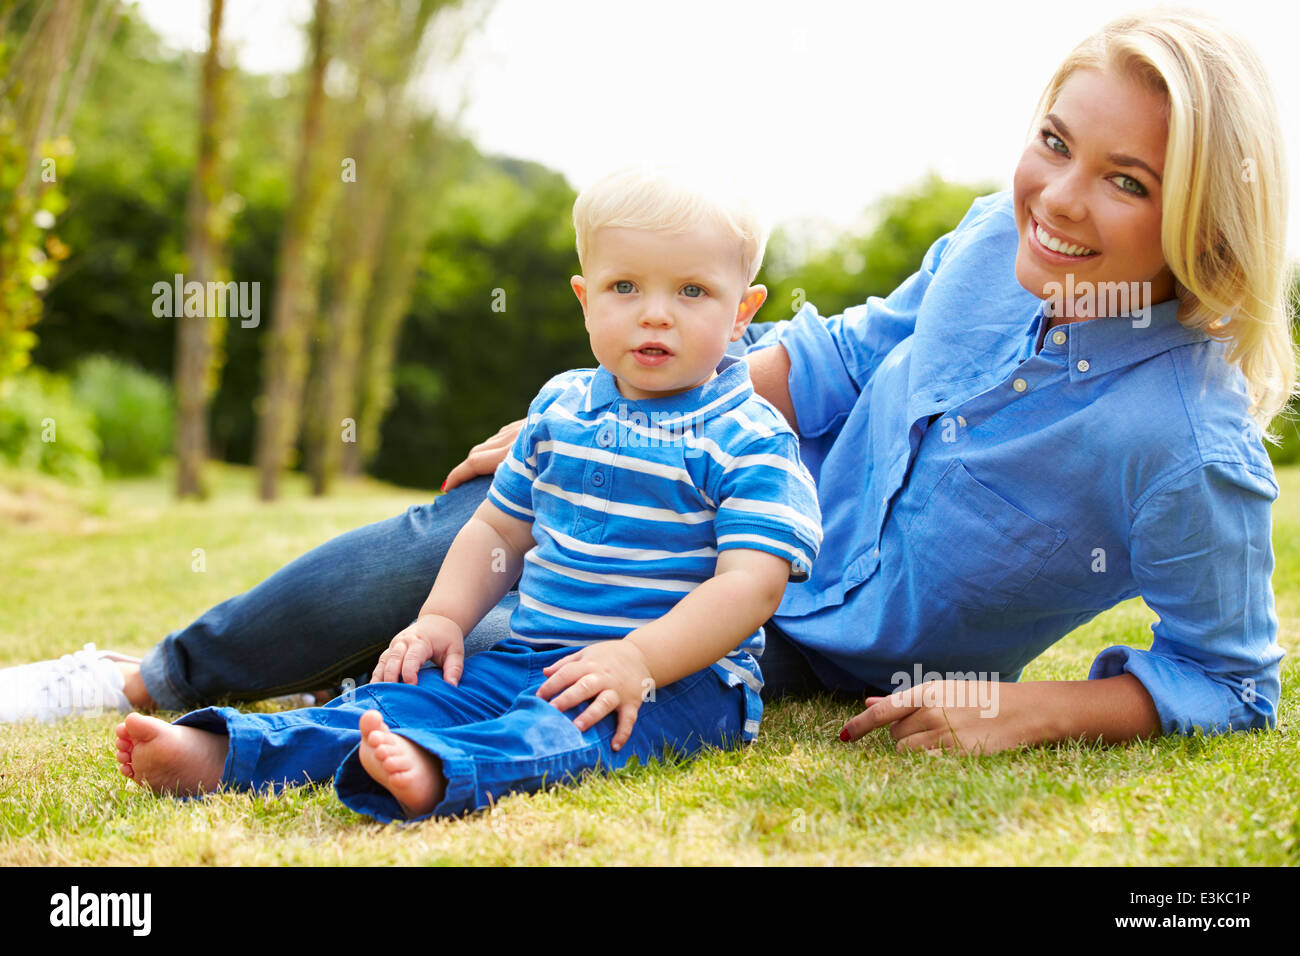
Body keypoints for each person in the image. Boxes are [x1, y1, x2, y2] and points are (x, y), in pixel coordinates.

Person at [5, 9, 1290, 755]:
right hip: (712, 490)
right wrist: (612, 424)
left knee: (520, 679)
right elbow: (840, 357)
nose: (1057, 202)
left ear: (1203, 211)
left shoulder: (1183, 439)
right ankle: (144, 677)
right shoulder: (987, 245)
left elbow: (1232, 681)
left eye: (1127, 181)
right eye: (1055, 144)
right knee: (467, 532)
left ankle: (285, 727)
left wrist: (1031, 707)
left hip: (802, 645)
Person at [111, 167, 824, 820]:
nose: (655, 314)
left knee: (559, 731)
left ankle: (446, 769)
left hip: (679, 682)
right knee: (402, 699)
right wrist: (443, 618)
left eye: (692, 291)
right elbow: (496, 533)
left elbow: (748, 588)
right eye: (625, 287)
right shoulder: (560, 408)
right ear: (586, 298)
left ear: (743, 312)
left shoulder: (748, 436)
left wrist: (637, 661)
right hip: (532, 649)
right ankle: (230, 751)